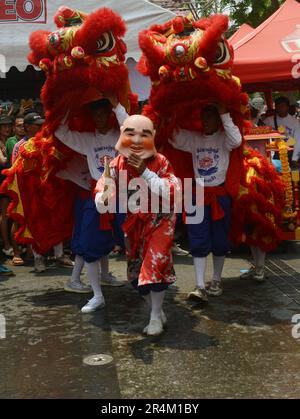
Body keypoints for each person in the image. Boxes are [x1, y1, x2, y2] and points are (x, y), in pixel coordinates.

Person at [95, 115, 180, 335]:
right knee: (135, 274)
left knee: (156, 263)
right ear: (122, 134)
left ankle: (154, 318)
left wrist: (145, 172)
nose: (136, 140)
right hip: (134, 223)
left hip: (161, 220)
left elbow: (173, 191)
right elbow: (104, 186)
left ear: (153, 137)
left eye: (144, 134)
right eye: (130, 133)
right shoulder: (115, 164)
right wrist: (102, 197)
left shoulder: (161, 161)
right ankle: (156, 310)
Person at [55, 99, 127, 313]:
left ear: (110, 115)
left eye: (104, 114)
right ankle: (97, 296)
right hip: (98, 196)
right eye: (96, 116)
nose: (100, 119)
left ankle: (145, 288)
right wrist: (69, 103)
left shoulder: (119, 135)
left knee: (131, 240)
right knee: (90, 245)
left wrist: (117, 105)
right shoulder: (87, 140)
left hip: (122, 194)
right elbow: (61, 132)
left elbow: (132, 130)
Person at [169, 104, 242, 301]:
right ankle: (200, 285)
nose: (206, 121)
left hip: (219, 194)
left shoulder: (224, 138)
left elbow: (237, 140)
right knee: (197, 240)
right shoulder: (194, 138)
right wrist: (170, 113)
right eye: (204, 117)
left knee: (220, 240)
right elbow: (173, 136)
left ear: (217, 119)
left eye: (210, 117)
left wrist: (224, 113)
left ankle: (216, 280)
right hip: (197, 193)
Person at [263, 96, 300, 164]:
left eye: (282, 106)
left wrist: (294, 159)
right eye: (278, 107)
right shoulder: (268, 120)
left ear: (287, 107)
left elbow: (298, 140)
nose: (280, 109)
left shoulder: (295, 122)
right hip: (274, 153)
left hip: (289, 153)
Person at [0, 114, 13, 257]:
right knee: (4, 214)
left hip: (7, 181)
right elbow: (3, 161)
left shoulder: (7, 141)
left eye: (9, 126)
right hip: (1, 181)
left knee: (9, 214)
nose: (7, 128)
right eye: (4, 126)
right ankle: (7, 245)